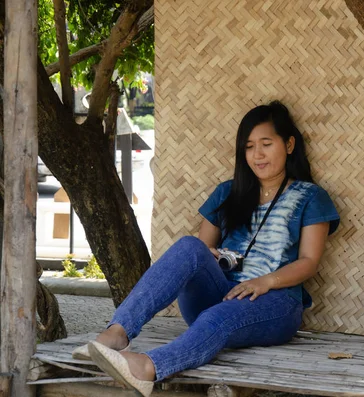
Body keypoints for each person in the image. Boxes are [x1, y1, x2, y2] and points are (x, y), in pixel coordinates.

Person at [73, 101, 340, 396]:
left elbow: (309, 261)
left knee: (219, 316)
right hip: (221, 292)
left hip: (276, 305)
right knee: (190, 246)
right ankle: (117, 332)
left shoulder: (310, 196)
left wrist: (265, 281)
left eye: (266, 144)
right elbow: (200, 250)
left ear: (289, 145)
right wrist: (210, 254)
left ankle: (148, 367)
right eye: (249, 146)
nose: (257, 154)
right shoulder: (228, 192)